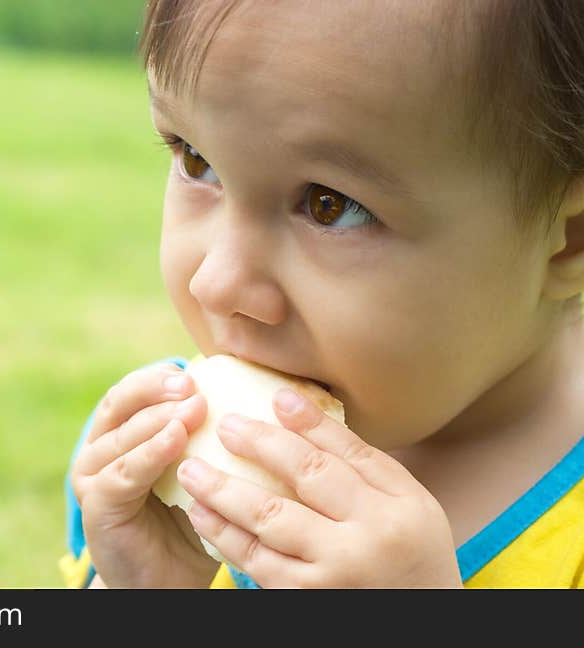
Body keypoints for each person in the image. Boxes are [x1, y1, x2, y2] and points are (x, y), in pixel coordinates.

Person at [59, 0, 584, 588]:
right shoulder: (143, 466)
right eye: (197, 160)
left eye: (328, 205)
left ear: (568, 242)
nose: (217, 283)